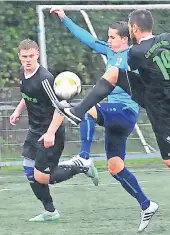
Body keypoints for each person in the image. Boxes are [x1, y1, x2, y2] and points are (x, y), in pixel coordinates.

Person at [53, 9, 170, 230]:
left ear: (134, 29)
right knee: (114, 75)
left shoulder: (135, 52)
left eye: (125, 29)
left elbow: (132, 59)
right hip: (158, 96)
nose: (110, 40)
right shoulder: (169, 38)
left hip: (160, 107)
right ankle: (79, 113)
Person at [50, 8, 157, 232]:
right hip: (115, 115)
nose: (108, 41)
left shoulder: (134, 55)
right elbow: (87, 39)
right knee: (115, 167)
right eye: (107, 37)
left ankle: (85, 158)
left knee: (88, 109)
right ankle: (147, 205)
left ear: (125, 39)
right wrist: (64, 18)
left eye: (112, 37)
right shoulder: (110, 52)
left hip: (125, 111)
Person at [10, 39, 94, 222]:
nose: (28, 60)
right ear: (19, 57)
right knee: (28, 170)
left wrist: (50, 133)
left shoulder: (45, 78)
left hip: (50, 132)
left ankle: (81, 165)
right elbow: (27, 95)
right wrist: (17, 111)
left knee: (41, 176)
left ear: (37, 54)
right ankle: (50, 211)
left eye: (31, 56)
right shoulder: (23, 74)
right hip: (35, 130)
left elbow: (61, 107)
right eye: (24, 57)